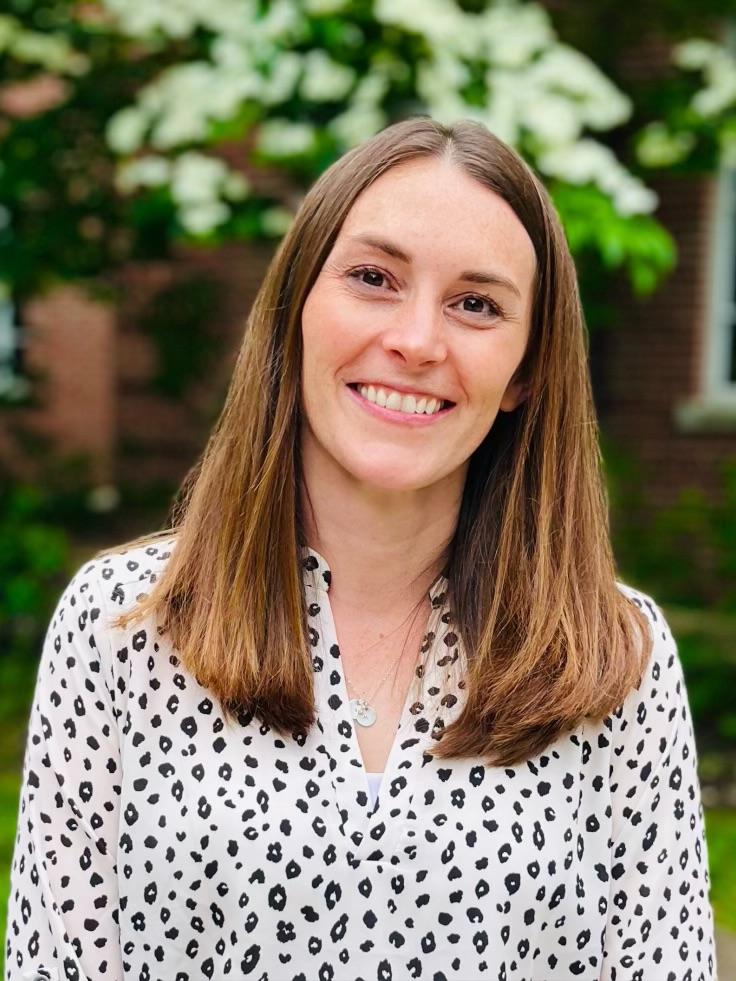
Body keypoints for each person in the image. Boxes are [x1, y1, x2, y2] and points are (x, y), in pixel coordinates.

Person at [5, 116, 715, 981]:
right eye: (374, 278)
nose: (417, 341)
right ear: (296, 308)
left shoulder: (616, 656)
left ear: (526, 371)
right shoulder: (124, 623)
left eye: (477, 304)